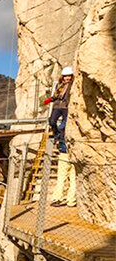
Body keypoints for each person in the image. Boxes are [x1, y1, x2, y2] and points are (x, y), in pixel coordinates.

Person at [43, 66, 76, 207]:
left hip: (66, 107)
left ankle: (68, 200)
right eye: (65, 76)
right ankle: (68, 200)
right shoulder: (60, 85)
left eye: (69, 76)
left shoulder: (73, 85)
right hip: (57, 106)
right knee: (52, 122)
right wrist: (47, 101)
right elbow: (55, 96)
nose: (67, 78)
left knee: (63, 126)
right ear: (62, 77)